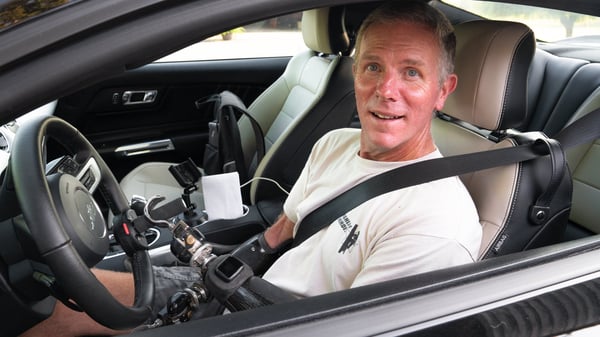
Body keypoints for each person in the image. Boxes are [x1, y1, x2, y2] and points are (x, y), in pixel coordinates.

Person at [20, 1, 482, 336]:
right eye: (373, 67)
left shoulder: (437, 220)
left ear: (444, 91)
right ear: (355, 72)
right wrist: (213, 266)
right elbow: (283, 230)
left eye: (412, 73)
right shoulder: (335, 144)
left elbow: (360, 328)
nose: (386, 90)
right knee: (63, 299)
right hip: (238, 292)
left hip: (272, 323)